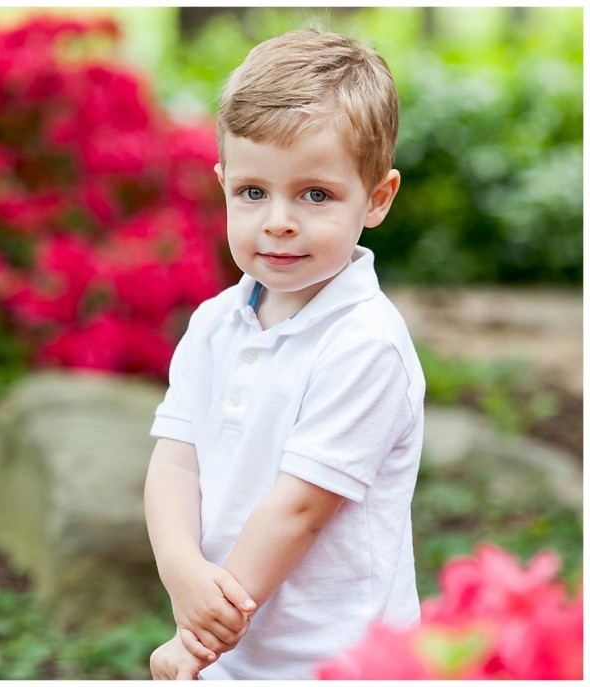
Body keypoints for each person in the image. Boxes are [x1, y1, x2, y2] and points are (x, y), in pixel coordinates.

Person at [144, 28, 425, 680]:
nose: (278, 220)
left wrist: (198, 641)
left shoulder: (365, 344)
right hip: (232, 650)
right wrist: (182, 569)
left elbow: (299, 508)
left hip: (342, 662)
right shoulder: (215, 324)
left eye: (315, 194)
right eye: (252, 192)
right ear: (223, 183)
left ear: (377, 198)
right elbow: (175, 461)